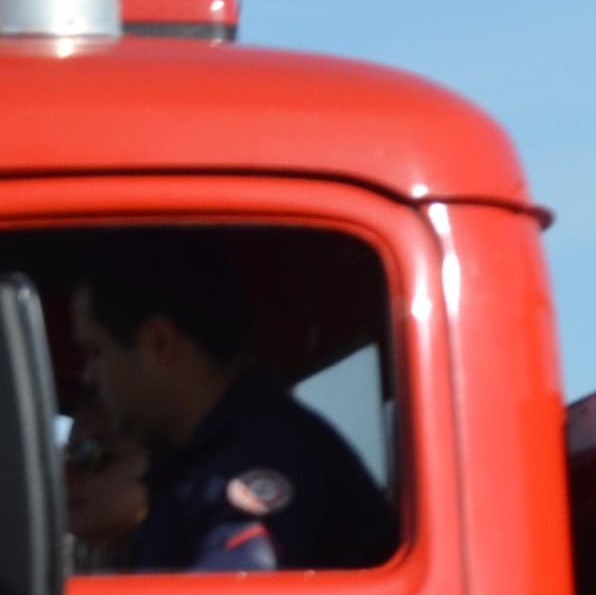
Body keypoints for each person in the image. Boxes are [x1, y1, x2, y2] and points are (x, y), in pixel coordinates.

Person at [66, 238, 398, 573]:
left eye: (96, 352)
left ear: (159, 342)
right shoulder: (202, 467)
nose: (89, 376)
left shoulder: (261, 461)